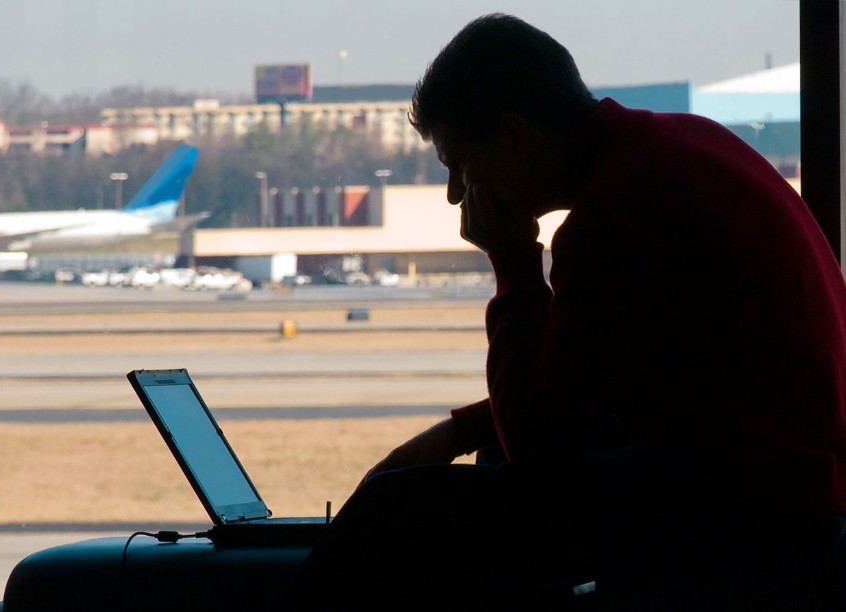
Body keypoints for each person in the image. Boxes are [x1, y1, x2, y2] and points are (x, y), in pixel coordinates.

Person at [288, 13, 846, 611]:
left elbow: (544, 447)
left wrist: (512, 261)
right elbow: (592, 377)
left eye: (458, 164)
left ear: (513, 136)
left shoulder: (616, 211)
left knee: (394, 511)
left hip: (749, 520)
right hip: (800, 501)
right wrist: (461, 429)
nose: (454, 193)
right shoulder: (685, 145)